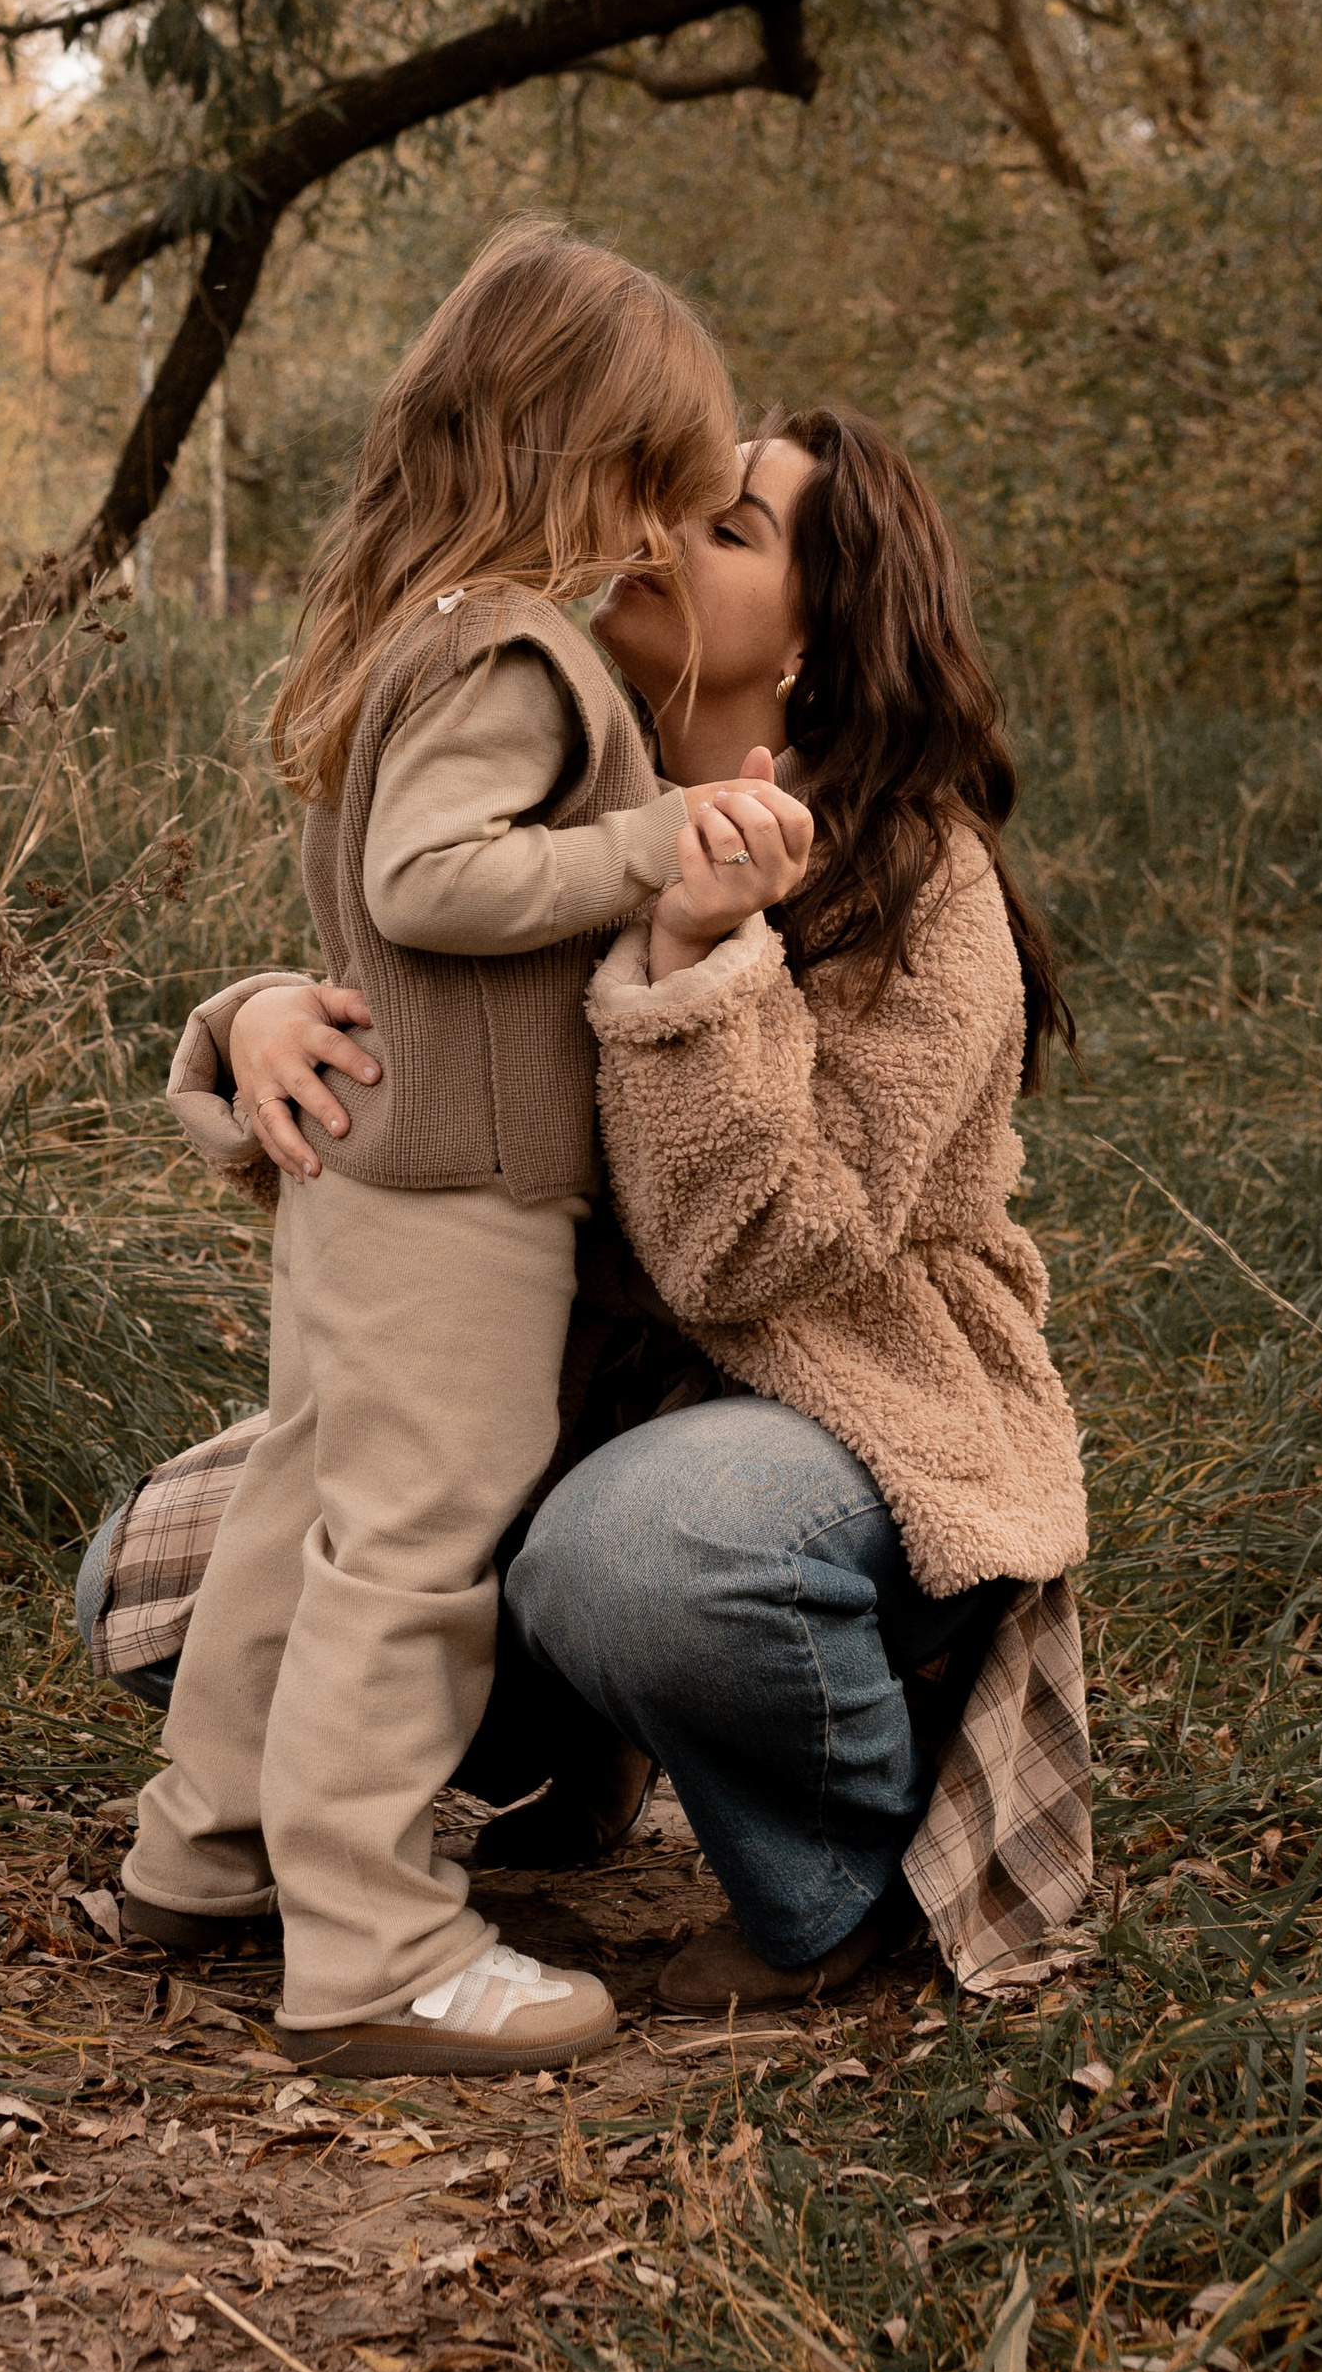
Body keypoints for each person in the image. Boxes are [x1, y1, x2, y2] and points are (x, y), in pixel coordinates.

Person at [95, 402, 1094, 2016]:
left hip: (833, 1415)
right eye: (682, 495)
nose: (666, 526)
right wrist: (266, 1017)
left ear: (820, 643)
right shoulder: (571, 797)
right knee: (149, 1587)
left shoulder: (922, 883)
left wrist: (702, 958)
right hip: (547, 1408)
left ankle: (839, 1874)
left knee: (632, 1554)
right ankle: (580, 1738)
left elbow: (755, 1252)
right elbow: (437, 1042)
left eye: (732, 525)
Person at [114, 223, 811, 2076]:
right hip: (459, 1197)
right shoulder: (517, 649)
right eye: (660, 492)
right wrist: (651, 850)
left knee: (298, 1513)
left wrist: (664, 811)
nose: (665, 536)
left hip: (369, 1179)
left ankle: (205, 1848)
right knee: (414, 1552)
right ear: (583, 465)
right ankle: (369, 1942)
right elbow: (434, 880)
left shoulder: (420, 635)